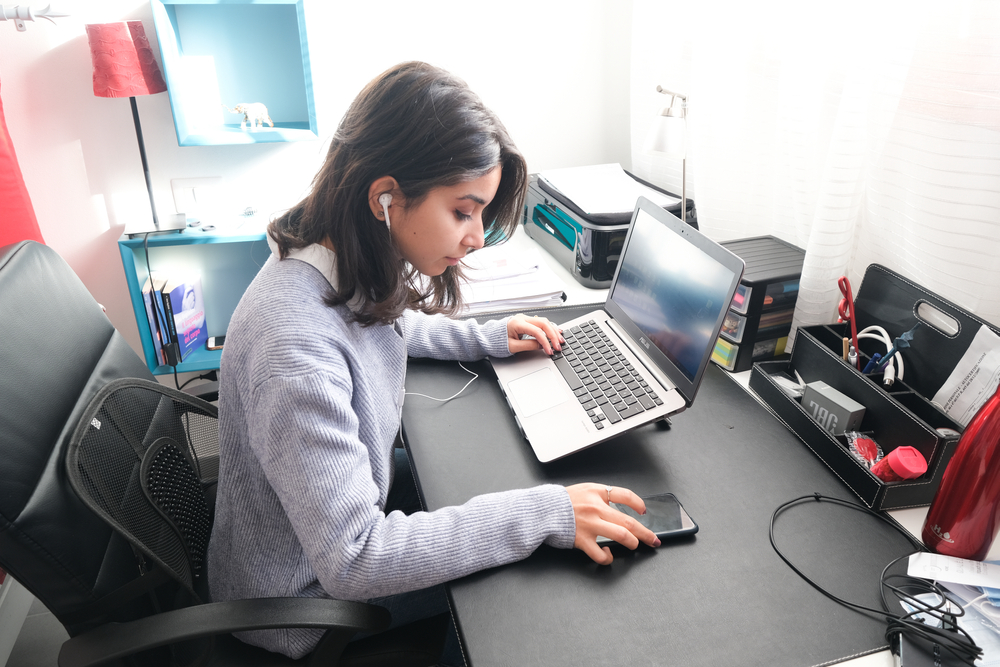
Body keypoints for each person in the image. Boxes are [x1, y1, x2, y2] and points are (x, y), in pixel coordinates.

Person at [207, 61, 659, 664]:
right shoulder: (294, 349)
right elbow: (356, 559)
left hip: (322, 533)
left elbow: (384, 322)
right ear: (385, 198)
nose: (476, 237)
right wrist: (542, 514)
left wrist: (489, 337)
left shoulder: (329, 260)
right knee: (524, 575)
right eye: (463, 211)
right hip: (303, 607)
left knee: (505, 499)